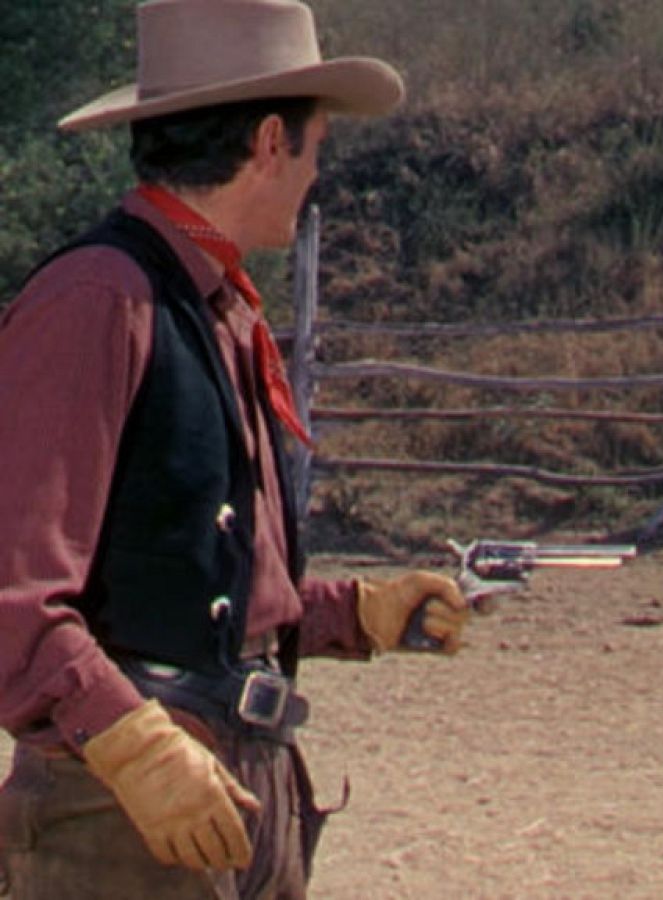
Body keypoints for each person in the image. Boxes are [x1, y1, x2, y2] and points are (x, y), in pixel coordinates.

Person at [0, 2, 471, 897]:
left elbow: (203, 578)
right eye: (315, 146)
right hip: (119, 814)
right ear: (267, 143)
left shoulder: (205, 304)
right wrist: (133, 747)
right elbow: (14, 598)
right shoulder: (101, 299)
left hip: (234, 784)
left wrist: (353, 614)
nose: (314, 174)